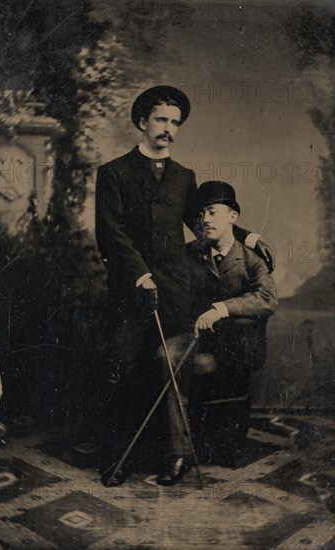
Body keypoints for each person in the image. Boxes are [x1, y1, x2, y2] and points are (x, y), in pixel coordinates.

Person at [95, 86, 274, 486]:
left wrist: (248, 237)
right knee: (126, 368)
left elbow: (204, 221)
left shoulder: (183, 177)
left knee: (166, 367)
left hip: (174, 292)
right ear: (142, 121)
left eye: (175, 122)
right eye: (161, 119)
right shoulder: (114, 173)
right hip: (131, 287)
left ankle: (167, 454)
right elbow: (110, 233)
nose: (169, 129)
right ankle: (117, 457)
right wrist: (140, 273)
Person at [156, 180, 278, 485]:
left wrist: (221, 309)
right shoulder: (191, 253)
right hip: (198, 339)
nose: (205, 220)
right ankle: (179, 451)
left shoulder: (251, 260)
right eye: (201, 214)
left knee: (194, 366)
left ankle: (191, 443)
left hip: (234, 347)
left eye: (213, 212)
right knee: (165, 356)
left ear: (233, 217)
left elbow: (267, 299)